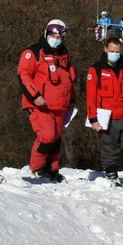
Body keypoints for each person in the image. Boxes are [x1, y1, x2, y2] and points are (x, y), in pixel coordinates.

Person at [18, 18, 76, 183]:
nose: (56, 39)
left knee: (56, 138)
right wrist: (34, 96)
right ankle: (38, 167)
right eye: (53, 35)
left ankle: (52, 168)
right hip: (41, 104)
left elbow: (69, 79)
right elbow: (23, 75)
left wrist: (72, 99)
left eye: (59, 37)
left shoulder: (63, 55)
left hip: (60, 104)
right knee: (47, 135)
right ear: (46, 33)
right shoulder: (34, 52)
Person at [85, 34, 123, 183]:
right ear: (105, 49)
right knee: (110, 146)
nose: (115, 54)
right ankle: (111, 172)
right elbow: (91, 96)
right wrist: (93, 118)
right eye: (112, 51)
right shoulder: (96, 69)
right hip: (106, 115)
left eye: (117, 52)